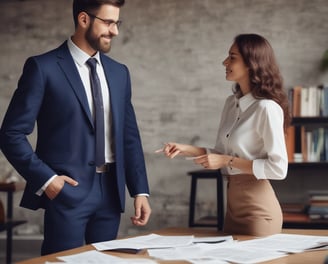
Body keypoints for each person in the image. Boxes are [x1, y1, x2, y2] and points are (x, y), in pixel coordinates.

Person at [0, 0, 151, 255]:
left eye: (117, 23)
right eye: (108, 22)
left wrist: (140, 190)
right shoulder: (43, 68)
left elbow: (129, 136)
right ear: (84, 19)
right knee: (60, 261)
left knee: (106, 262)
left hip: (111, 194)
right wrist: (48, 180)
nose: (115, 31)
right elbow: (11, 134)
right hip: (67, 191)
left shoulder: (119, 73)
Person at [161, 33, 290, 236]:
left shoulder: (267, 108)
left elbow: (279, 169)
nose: (224, 62)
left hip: (259, 213)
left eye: (232, 57)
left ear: (251, 63)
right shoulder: (231, 104)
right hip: (232, 211)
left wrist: (226, 160)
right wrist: (186, 149)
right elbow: (221, 154)